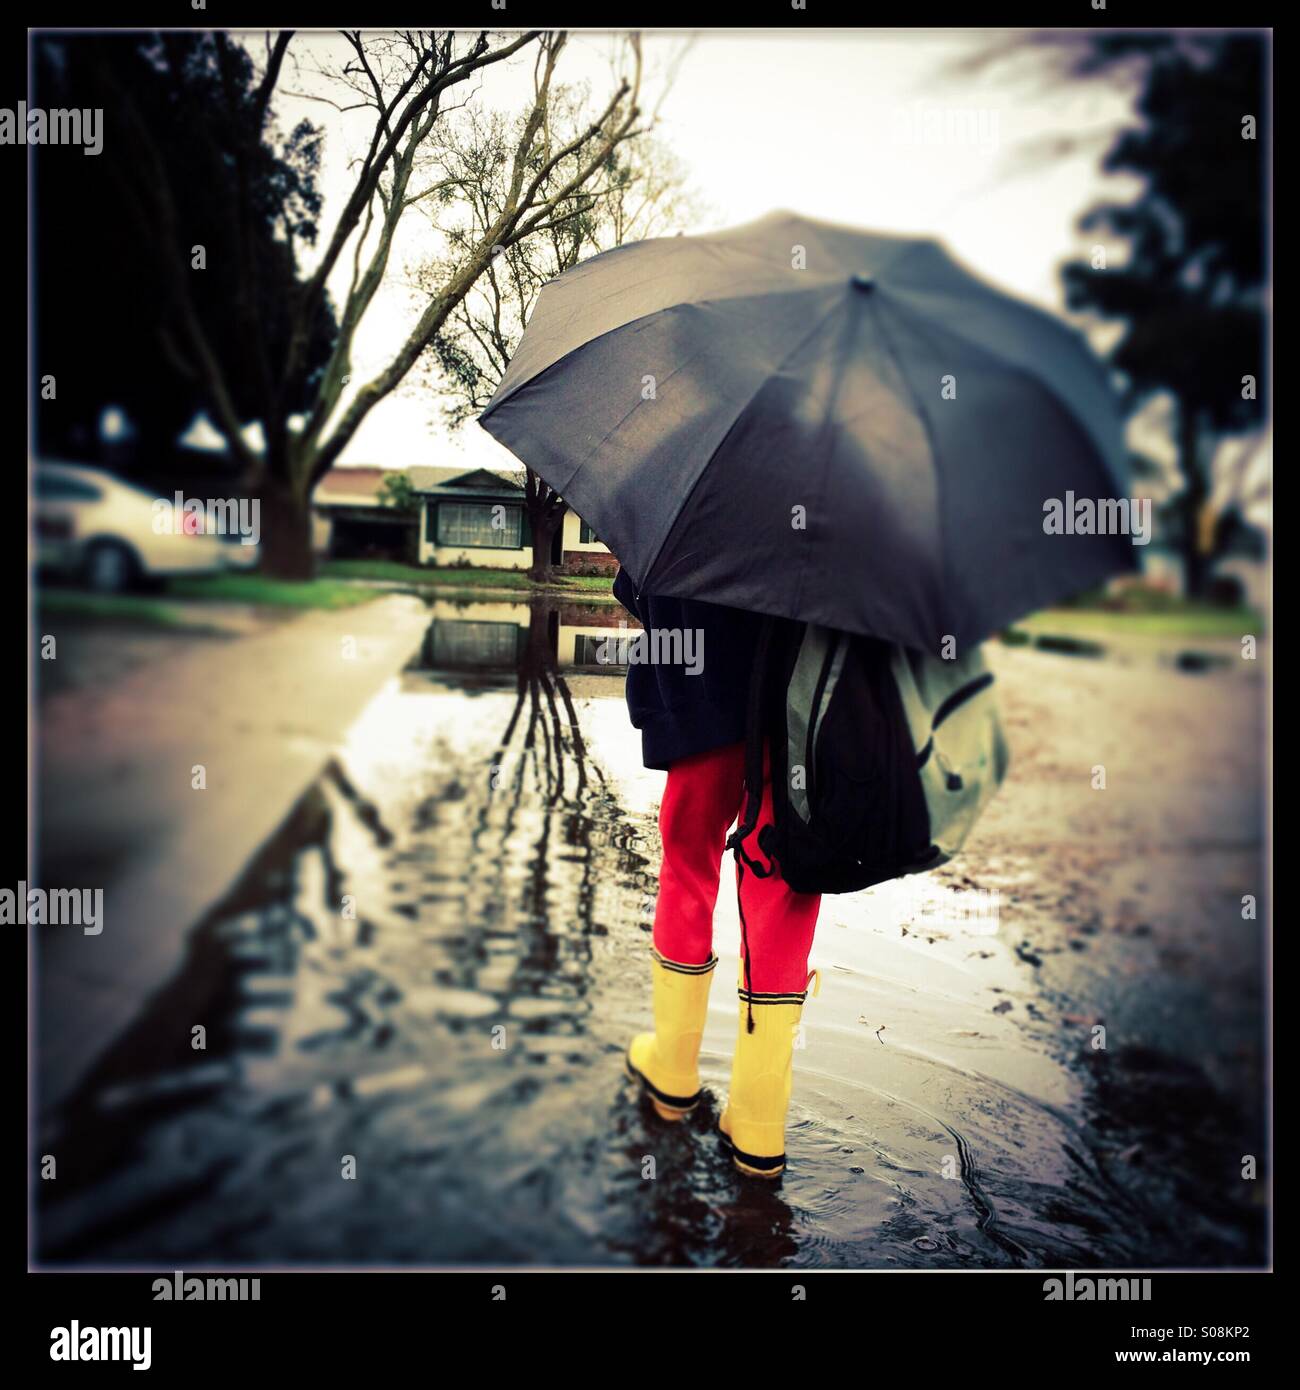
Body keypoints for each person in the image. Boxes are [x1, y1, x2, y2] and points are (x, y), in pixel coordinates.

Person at [613, 566, 822, 1179]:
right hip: (796, 712)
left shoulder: (693, 482)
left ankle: (673, 1070)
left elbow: (641, 580)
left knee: (688, 864)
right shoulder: (835, 488)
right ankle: (759, 1121)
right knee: (783, 884)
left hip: (703, 698)